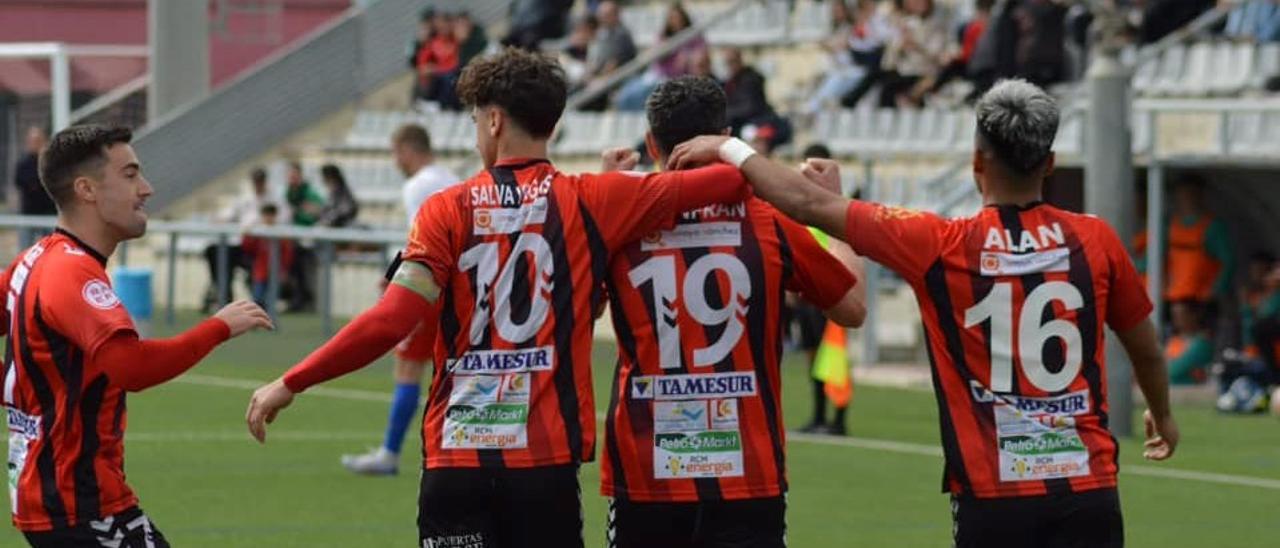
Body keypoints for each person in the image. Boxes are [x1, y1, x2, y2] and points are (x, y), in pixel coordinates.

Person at [245, 47, 751, 548]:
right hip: (544, 465)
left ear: (492, 121)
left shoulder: (445, 209)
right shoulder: (594, 198)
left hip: (458, 460)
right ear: (550, 125)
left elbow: (390, 321)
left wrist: (293, 381)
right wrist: (718, 147)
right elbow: (733, 179)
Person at [666, 79, 1178, 547]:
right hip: (1087, 488)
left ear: (977, 160)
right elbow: (1145, 346)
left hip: (993, 493)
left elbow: (808, 207)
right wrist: (1163, 412)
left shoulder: (940, 243)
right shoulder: (1097, 240)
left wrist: (729, 149)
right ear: (1049, 164)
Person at [597, 76, 867, 548]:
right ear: (725, 138)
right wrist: (836, 210)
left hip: (646, 470)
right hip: (746, 469)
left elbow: (580, 309)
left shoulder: (622, 221)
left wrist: (604, 197)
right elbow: (852, 307)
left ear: (650, 143)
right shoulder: (767, 220)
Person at [2, 124, 271, 547]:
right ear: (87, 190)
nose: (146, 188)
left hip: (53, 498)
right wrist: (219, 326)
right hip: (83, 506)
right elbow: (132, 367)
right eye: (130, 175)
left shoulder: (35, 259)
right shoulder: (71, 272)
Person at [339, 123, 461, 476]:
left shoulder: (417, 185)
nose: (395, 161)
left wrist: (394, 277)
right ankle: (455, 452)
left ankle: (390, 453)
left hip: (428, 286)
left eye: (396, 153)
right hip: (461, 288)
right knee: (451, 369)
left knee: (408, 368)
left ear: (409, 149)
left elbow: (419, 239)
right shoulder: (451, 178)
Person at [202, 167, 287, 312]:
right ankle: (223, 294)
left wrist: (259, 224)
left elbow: (283, 219)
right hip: (245, 244)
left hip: (262, 247)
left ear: (265, 181)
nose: (258, 184)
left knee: (231, 256)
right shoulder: (246, 198)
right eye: (256, 181)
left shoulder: (276, 199)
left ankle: (254, 300)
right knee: (213, 251)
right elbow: (230, 215)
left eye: (260, 181)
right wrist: (220, 219)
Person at [614, 2, 707, 111]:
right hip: (658, 75)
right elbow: (655, 57)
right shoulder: (663, 37)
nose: (675, 21)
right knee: (629, 90)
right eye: (672, 18)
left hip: (677, 79)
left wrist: (688, 58)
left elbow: (701, 55)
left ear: (684, 18)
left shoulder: (693, 37)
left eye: (678, 17)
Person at [1164, 175, 1233, 315]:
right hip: (1172, 297)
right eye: (1182, 194)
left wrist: (1215, 291)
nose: (1186, 198)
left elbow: (1228, 262)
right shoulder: (1170, 225)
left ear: (1200, 195)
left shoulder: (1212, 226)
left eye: (1191, 193)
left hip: (1200, 301)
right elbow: (1159, 257)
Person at [723, 48, 792, 152]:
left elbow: (750, 107)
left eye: (732, 61)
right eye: (727, 63)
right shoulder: (732, 81)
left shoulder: (750, 79)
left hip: (755, 122)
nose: (730, 66)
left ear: (740, 60)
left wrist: (728, 114)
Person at [581, 0, 637, 111]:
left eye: (606, 15)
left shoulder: (622, 34)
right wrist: (588, 76)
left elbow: (613, 65)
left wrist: (598, 80)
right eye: (601, 15)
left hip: (618, 80)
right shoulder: (602, 33)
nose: (602, 18)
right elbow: (594, 60)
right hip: (600, 78)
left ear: (616, 15)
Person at [283, 161, 322, 312]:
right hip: (291, 239)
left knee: (299, 262)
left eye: (294, 175)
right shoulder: (287, 193)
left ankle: (302, 298)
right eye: (290, 176)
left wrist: (305, 212)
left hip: (306, 239)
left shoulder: (309, 193)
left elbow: (316, 212)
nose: (292, 178)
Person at [240, 203, 295, 308]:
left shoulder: (281, 234)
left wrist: (284, 271)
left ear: (275, 216)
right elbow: (247, 248)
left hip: (276, 272)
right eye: (266, 215)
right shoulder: (259, 232)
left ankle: (271, 323)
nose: (268, 218)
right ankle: (257, 322)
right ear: (262, 216)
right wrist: (247, 236)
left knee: (271, 301)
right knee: (257, 299)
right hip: (260, 272)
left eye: (271, 215)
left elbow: (287, 254)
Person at [411, 9, 462, 109]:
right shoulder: (434, 43)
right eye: (442, 27)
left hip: (451, 74)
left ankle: (441, 106)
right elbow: (423, 61)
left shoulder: (456, 42)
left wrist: (437, 69)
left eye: (447, 25)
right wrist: (426, 68)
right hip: (440, 76)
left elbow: (455, 63)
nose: (444, 29)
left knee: (449, 78)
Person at [1166, 301, 1213, 385]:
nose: (1176, 319)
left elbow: (1172, 371)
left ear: (1193, 316)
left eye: (1181, 315)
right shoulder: (1174, 340)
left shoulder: (1202, 343)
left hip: (1191, 391)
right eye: (1174, 315)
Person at [14, 126, 55, 216]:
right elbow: (20, 182)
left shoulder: (51, 162)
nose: (35, 144)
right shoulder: (23, 164)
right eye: (32, 141)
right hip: (29, 212)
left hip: (49, 212)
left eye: (38, 141)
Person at [315, 164, 359, 228]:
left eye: (325, 178)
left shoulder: (343, 193)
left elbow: (343, 212)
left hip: (343, 228)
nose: (323, 181)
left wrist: (325, 221)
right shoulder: (333, 193)